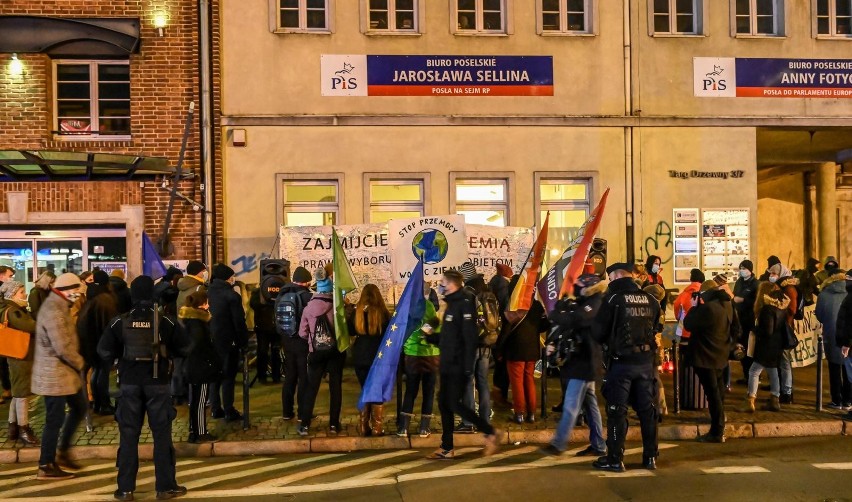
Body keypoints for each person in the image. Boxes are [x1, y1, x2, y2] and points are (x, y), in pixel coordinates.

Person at [98, 276, 190, 501]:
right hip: (157, 383)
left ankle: (125, 489)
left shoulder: (119, 321)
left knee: (129, 435)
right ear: (153, 294)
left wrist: (122, 358)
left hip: (129, 382)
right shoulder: (165, 321)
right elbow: (185, 348)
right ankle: (165, 486)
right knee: (161, 436)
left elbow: (104, 351)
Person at [425, 269, 502, 460]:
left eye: (442, 282)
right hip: (448, 363)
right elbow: (450, 336)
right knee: (444, 403)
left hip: (458, 365)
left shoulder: (464, 304)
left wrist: (467, 367)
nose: (440, 285)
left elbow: (469, 338)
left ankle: (490, 431)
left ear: (452, 284)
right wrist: (432, 337)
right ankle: (447, 447)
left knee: (452, 403)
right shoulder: (450, 305)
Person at [592, 262, 660, 472]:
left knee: (617, 412)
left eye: (610, 278)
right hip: (646, 364)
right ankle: (650, 457)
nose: (609, 281)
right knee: (647, 412)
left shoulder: (612, 300)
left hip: (621, 364)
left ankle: (615, 458)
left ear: (616, 276)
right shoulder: (651, 299)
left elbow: (598, 332)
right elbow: (657, 326)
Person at [541, 274, 606, 456]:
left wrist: (559, 311)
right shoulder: (585, 302)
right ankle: (599, 444)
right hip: (582, 361)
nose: (575, 289)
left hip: (585, 362)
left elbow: (575, 319)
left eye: (578, 285)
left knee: (571, 404)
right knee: (591, 406)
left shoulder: (595, 302)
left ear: (589, 287)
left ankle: (559, 443)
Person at [32, 273, 87, 480]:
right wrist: (80, 362)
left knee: (79, 407)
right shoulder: (54, 310)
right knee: (54, 419)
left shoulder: (60, 306)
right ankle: (46, 464)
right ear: (67, 290)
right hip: (54, 376)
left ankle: (63, 452)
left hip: (63, 374)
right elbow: (62, 346)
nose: (78, 296)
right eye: (77, 292)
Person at [683, 280, 740, 443]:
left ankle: (717, 429)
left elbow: (689, 324)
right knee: (718, 391)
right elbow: (736, 327)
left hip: (705, 356)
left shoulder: (707, 308)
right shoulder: (727, 304)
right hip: (721, 354)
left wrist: (694, 306)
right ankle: (720, 420)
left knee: (712, 394)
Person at [298, 267, 345, 436]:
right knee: (335, 387)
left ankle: (304, 424)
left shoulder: (308, 308)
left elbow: (302, 333)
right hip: (335, 352)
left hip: (316, 352)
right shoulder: (337, 305)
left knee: (311, 387)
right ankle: (333, 424)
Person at [498, 275, 548, 424]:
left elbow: (505, 331)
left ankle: (519, 413)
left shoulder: (512, 305)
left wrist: (499, 349)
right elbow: (542, 327)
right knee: (529, 380)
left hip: (515, 350)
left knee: (517, 382)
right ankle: (531, 414)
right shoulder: (536, 305)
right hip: (532, 349)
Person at [0, 280, 40, 446]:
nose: (25, 295)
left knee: (18, 392)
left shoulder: (10, 309)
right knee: (23, 393)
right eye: (21, 292)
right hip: (21, 356)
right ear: (12, 295)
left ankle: (12, 428)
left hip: (17, 355)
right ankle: (24, 429)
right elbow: (31, 326)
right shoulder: (13, 311)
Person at [398, 283, 441, 438]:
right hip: (430, 354)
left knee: (410, 390)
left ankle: (403, 426)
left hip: (412, 354)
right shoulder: (429, 307)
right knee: (428, 391)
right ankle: (424, 427)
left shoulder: (406, 308)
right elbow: (433, 327)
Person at [207, 264, 248, 422]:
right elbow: (239, 321)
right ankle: (229, 410)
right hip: (228, 342)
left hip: (211, 341)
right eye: (232, 276)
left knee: (214, 377)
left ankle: (215, 408)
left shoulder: (207, 292)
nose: (234, 279)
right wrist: (242, 341)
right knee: (228, 377)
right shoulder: (231, 296)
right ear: (227, 278)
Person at [178, 290, 221, 443]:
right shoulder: (198, 325)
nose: (209, 305)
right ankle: (200, 432)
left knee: (195, 401)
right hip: (201, 368)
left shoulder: (189, 322)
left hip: (192, 367)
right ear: (202, 304)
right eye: (207, 302)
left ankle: (193, 429)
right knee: (201, 401)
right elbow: (199, 346)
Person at [349, 283, 391, 436]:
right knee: (377, 391)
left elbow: (349, 330)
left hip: (360, 356)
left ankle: (363, 426)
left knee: (365, 389)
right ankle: (377, 428)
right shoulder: (384, 313)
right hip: (378, 357)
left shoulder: (357, 312)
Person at [738, 282, 787, 413]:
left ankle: (750, 400)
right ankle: (775, 399)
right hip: (777, 345)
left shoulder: (767, 309)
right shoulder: (781, 307)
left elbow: (767, 331)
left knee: (754, 371)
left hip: (766, 346)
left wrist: (754, 329)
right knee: (773, 371)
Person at [457, 261, 494, 432]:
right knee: (483, 382)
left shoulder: (467, 293)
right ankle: (485, 419)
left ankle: (468, 422)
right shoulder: (487, 291)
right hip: (486, 343)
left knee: (467, 382)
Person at [76, 270, 118, 415]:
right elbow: (110, 324)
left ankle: (98, 403)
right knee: (102, 373)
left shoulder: (91, 297)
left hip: (90, 342)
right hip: (101, 342)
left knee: (97, 372)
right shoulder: (105, 299)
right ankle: (104, 404)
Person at [275, 266, 313, 421]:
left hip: (286, 339)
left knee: (290, 376)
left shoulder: (281, 294)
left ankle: (287, 412)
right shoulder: (307, 297)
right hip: (302, 341)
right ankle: (302, 414)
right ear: (307, 282)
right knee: (304, 377)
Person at [815, 268, 850, 410]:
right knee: (848, 368)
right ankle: (848, 400)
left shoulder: (824, 293)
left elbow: (819, 315)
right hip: (848, 336)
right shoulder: (849, 292)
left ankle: (837, 400)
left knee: (834, 368)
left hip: (831, 335)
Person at [767, 256, 799, 403]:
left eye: (773, 274)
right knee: (778, 361)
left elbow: (792, 310)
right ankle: (780, 390)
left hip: (784, 328)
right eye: (771, 274)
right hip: (778, 328)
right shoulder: (780, 286)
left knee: (785, 361)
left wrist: (779, 312)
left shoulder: (789, 288)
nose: (771, 276)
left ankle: (787, 392)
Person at [643, 284, 669, 418]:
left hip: (652, 346)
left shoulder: (653, 309)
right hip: (658, 346)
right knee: (654, 377)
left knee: (652, 377)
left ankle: (658, 407)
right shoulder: (660, 310)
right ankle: (660, 407)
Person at [733, 260, 759, 382]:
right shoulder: (739, 282)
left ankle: (752, 376)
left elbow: (756, 301)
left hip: (750, 320)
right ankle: (746, 375)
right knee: (741, 347)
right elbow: (734, 296)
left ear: (750, 269)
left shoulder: (755, 284)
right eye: (740, 268)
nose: (742, 270)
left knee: (751, 349)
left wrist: (743, 300)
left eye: (744, 268)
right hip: (740, 320)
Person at [249, 285, 281, 385]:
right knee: (262, 351)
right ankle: (262, 376)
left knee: (276, 352)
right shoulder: (258, 292)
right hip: (262, 327)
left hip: (276, 326)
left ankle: (276, 376)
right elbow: (253, 304)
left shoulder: (280, 287)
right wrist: (267, 298)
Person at [835, 271, 852, 419]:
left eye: (849, 279)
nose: (847, 282)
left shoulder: (850, 298)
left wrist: (846, 343)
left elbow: (848, 324)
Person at [672, 269, 705, 340]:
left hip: (685, 330)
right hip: (702, 331)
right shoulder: (705, 294)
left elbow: (676, 307)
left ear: (691, 279)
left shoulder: (683, 294)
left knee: (685, 349)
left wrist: (679, 319)